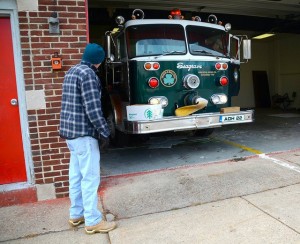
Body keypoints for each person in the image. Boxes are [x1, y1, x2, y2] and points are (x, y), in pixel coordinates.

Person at [59, 43, 116, 234]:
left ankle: (76, 215)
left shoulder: (72, 71)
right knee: (90, 178)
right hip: (84, 135)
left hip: (70, 135)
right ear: (99, 61)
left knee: (75, 176)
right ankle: (92, 221)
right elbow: (93, 109)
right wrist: (105, 131)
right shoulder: (89, 75)